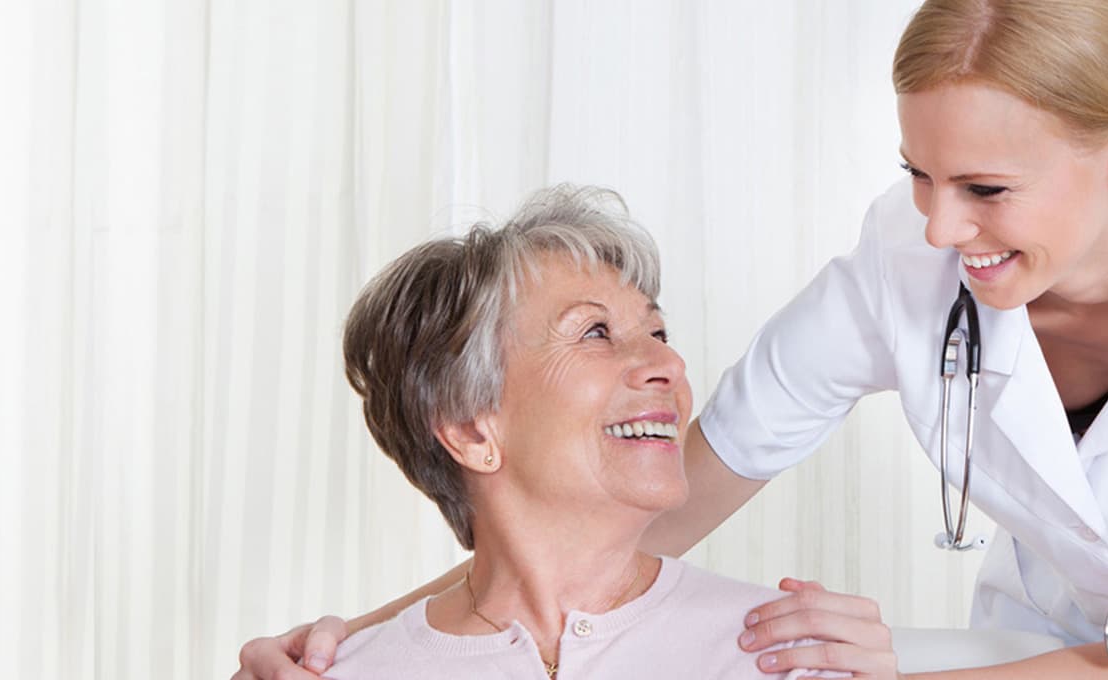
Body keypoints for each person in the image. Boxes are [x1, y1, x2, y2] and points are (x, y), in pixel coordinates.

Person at [238, 0, 1108, 677]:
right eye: (919, 175)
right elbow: (616, 524)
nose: (939, 229)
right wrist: (349, 646)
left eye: (988, 189)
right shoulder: (901, 264)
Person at [304, 184, 850, 678]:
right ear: (472, 430)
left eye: (658, 330)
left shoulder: (782, 652)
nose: (669, 362)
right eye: (595, 331)